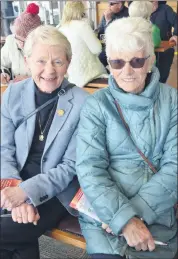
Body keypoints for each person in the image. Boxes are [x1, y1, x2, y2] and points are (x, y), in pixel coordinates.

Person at [76, 17, 177, 259]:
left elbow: (175, 167)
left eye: (137, 61)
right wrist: (123, 219)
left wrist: (135, 215)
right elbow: (90, 168)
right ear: (109, 64)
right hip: (105, 216)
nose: (127, 71)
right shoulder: (96, 105)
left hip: (159, 211)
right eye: (118, 62)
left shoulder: (172, 101)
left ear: (150, 61)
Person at [0, 25, 88, 259]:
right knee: (17, 237)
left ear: (68, 63)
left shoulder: (82, 103)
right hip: (12, 181)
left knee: (7, 233)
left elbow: (70, 166)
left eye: (58, 62)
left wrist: (27, 192)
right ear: (27, 61)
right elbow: (4, 148)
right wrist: (16, 191)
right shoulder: (13, 94)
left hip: (56, 190)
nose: (49, 70)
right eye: (41, 61)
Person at [59, 1, 107, 88]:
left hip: (70, 76)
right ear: (80, 11)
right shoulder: (82, 25)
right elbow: (97, 49)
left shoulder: (61, 28)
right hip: (88, 75)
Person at [1, 3, 41, 85]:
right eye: (18, 39)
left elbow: (59, 76)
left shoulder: (46, 44)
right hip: (18, 90)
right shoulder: (11, 41)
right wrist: (4, 73)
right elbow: (2, 63)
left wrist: (30, 79)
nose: (20, 44)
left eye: (25, 41)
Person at [150, 1, 178, 83]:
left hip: (165, 48)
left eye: (153, 1)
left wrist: (176, 35)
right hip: (148, 50)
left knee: (162, 78)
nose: (152, 3)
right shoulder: (142, 10)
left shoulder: (166, 9)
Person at [97, 0, 128, 67]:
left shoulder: (127, 15)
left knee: (100, 59)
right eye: (108, 3)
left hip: (120, 48)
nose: (108, 6)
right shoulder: (107, 13)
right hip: (107, 46)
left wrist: (108, 20)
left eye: (111, 4)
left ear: (119, 5)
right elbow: (101, 30)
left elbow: (114, 35)